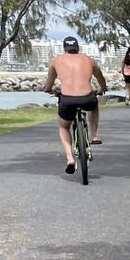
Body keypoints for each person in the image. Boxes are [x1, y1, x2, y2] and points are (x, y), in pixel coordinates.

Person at [43, 36, 107, 174]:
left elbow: (49, 81)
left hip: (67, 100)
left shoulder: (56, 60)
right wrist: (102, 88)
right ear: (77, 47)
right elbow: (100, 77)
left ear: (64, 48)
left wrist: (49, 90)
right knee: (94, 105)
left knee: (63, 126)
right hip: (87, 98)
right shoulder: (89, 59)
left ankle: (70, 158)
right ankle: (94, 135)